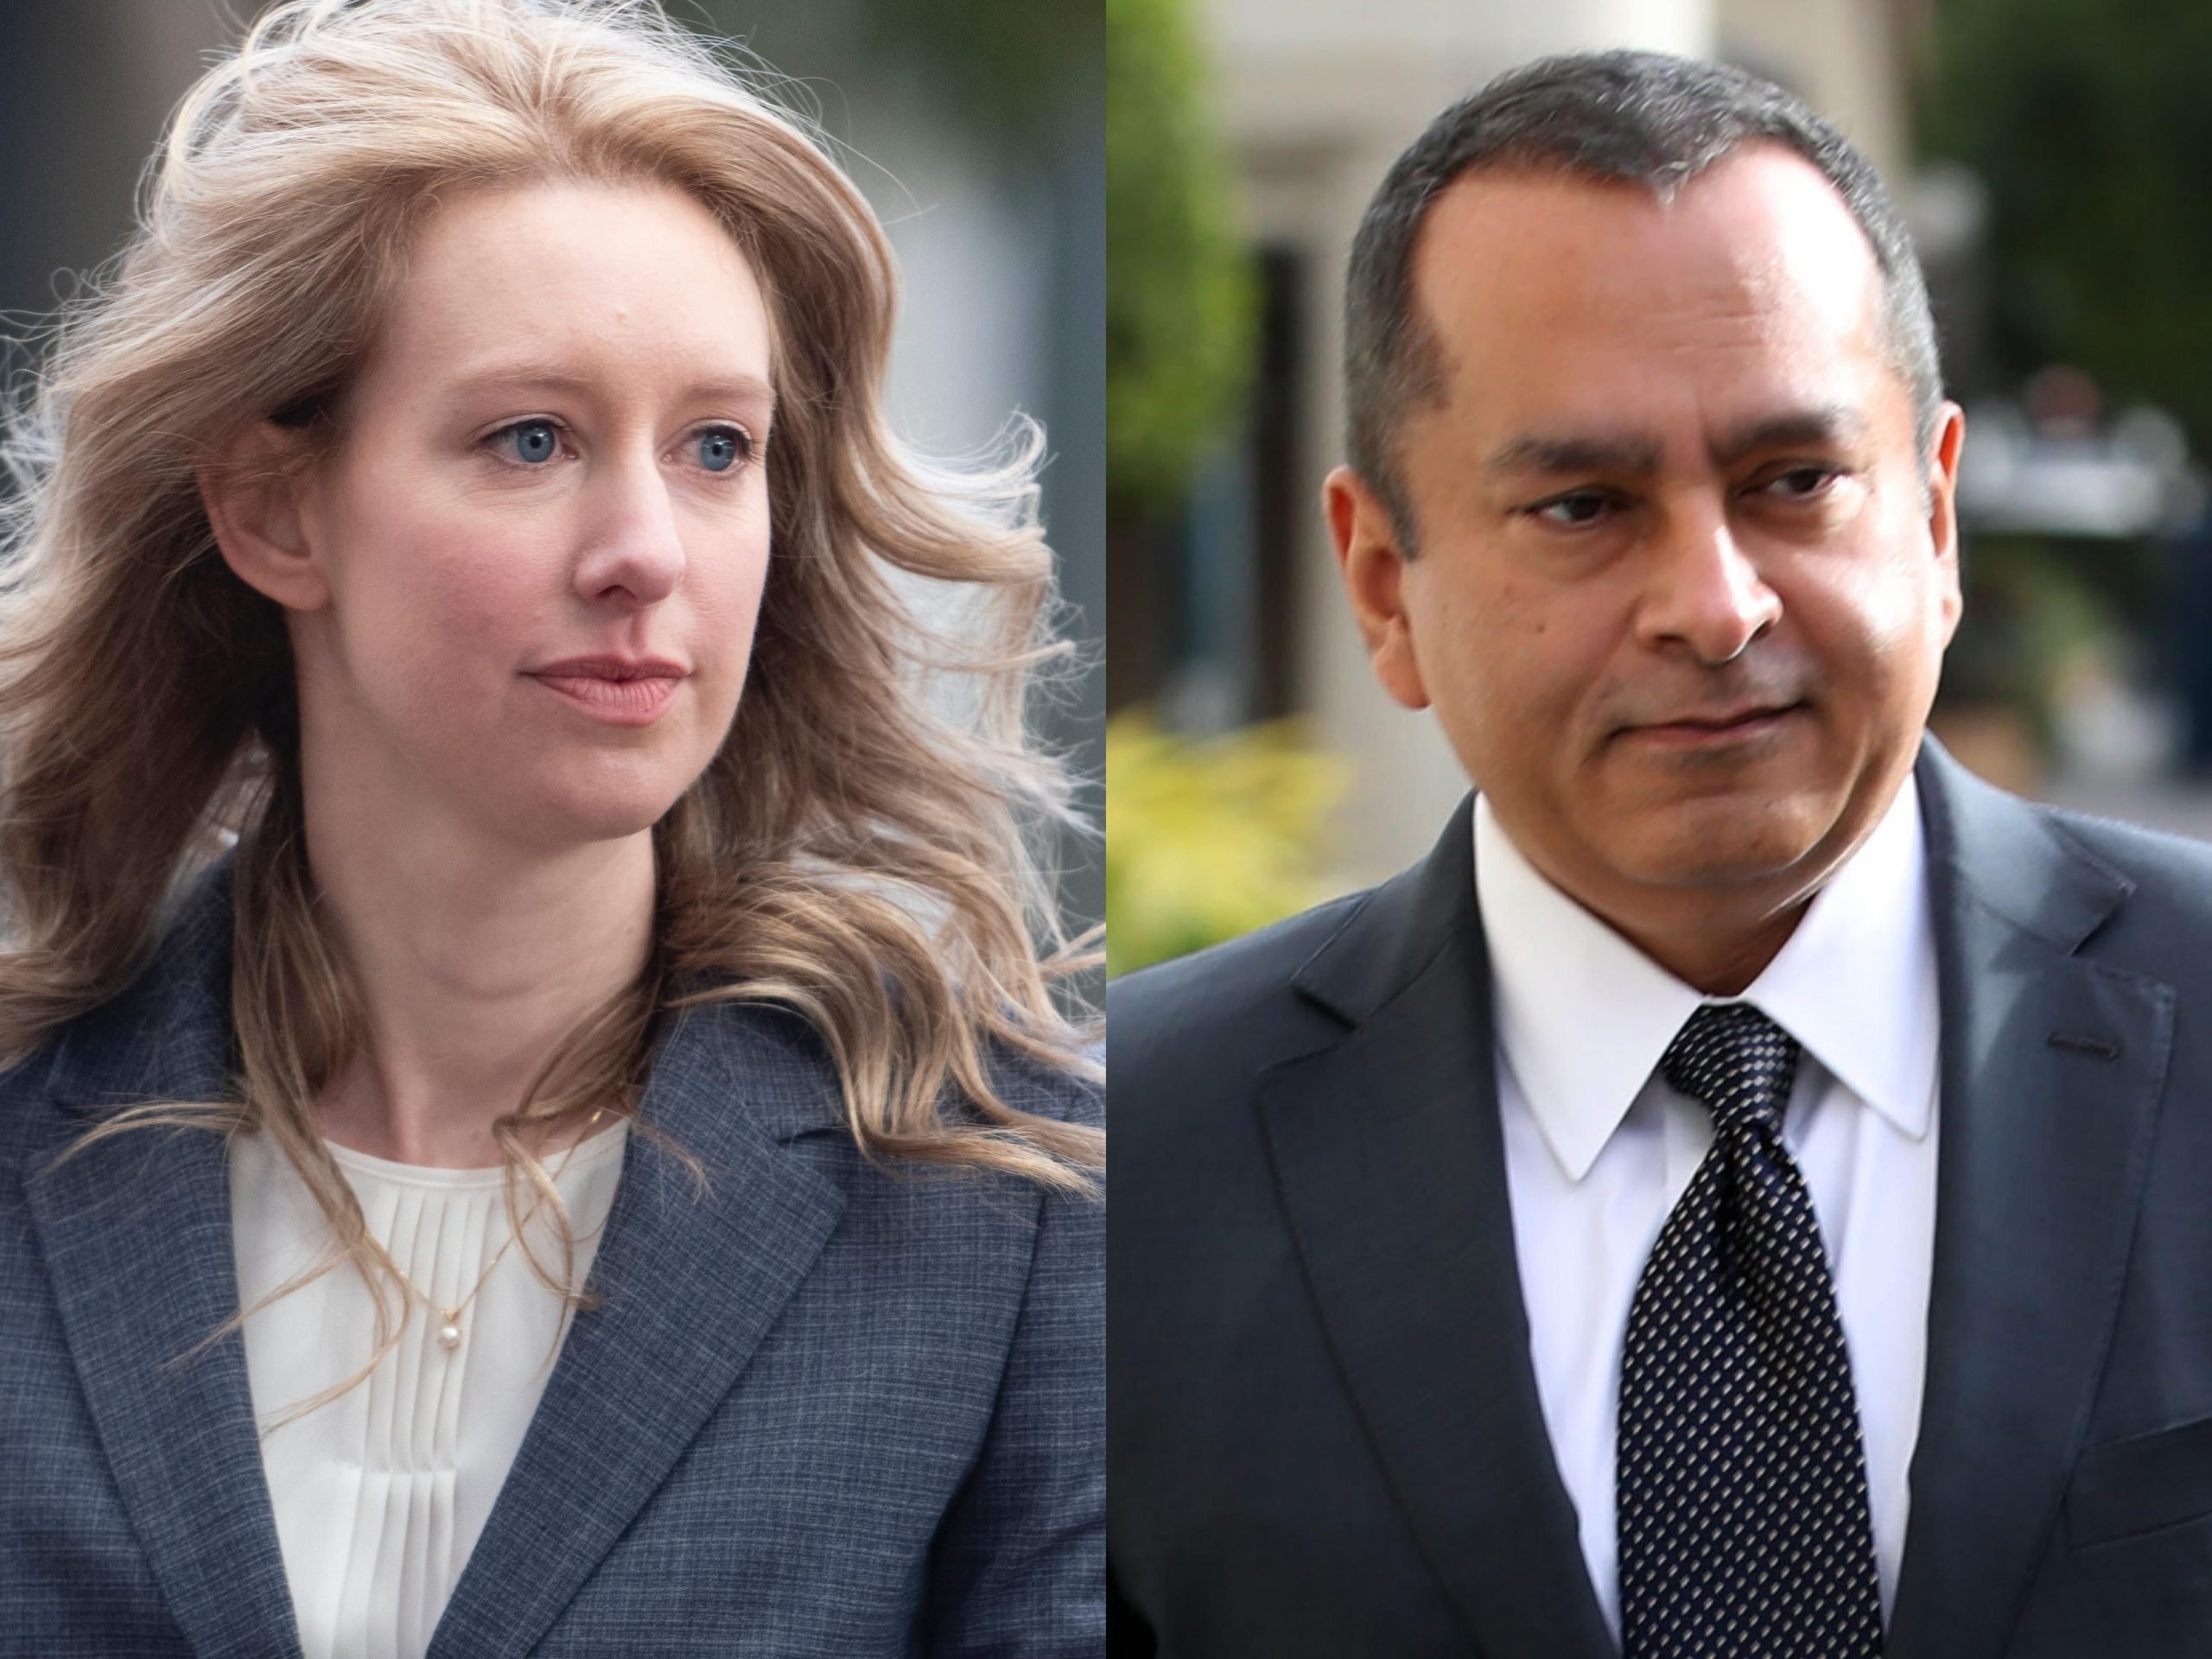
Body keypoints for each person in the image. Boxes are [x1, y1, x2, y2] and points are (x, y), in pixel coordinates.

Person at [0, 2, 1103, 1655]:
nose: (646, 548)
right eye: (533, 439)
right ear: (274, 508)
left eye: (718, 448)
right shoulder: (29, 1128)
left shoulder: (1009, 1201)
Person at [1109, 48, 2212, 1659]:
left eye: (1794, 482)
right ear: (1379, 584)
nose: (1716, 604)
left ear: (1937, 517)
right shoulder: (1126, 1168)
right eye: (1583, 507)